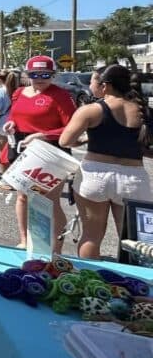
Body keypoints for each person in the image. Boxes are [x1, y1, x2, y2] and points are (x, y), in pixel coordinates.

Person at [59, 65, 152, 259]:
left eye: (93, 80)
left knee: (91, 235)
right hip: (133, 179)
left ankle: (89, 280)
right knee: (135, 241)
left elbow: (65, 141)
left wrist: (85, 139)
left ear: (105, 86)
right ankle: (134, 283)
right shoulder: (144, 112)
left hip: (95, 176)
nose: (90, 85)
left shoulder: (91, 110)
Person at [3, 55, 76, 253]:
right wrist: (12, 124)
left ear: (54, 75)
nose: (40, 78)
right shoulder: (19, 92)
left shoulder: (60, 95)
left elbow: (72, 128)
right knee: (23, 196)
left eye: (46, 74)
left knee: (49, 201)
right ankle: (25, 240)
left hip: (51, 151)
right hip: (23, 147)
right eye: (34, 74)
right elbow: (15, 115)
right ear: (27, 75)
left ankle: (55, 247)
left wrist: (44, 135)